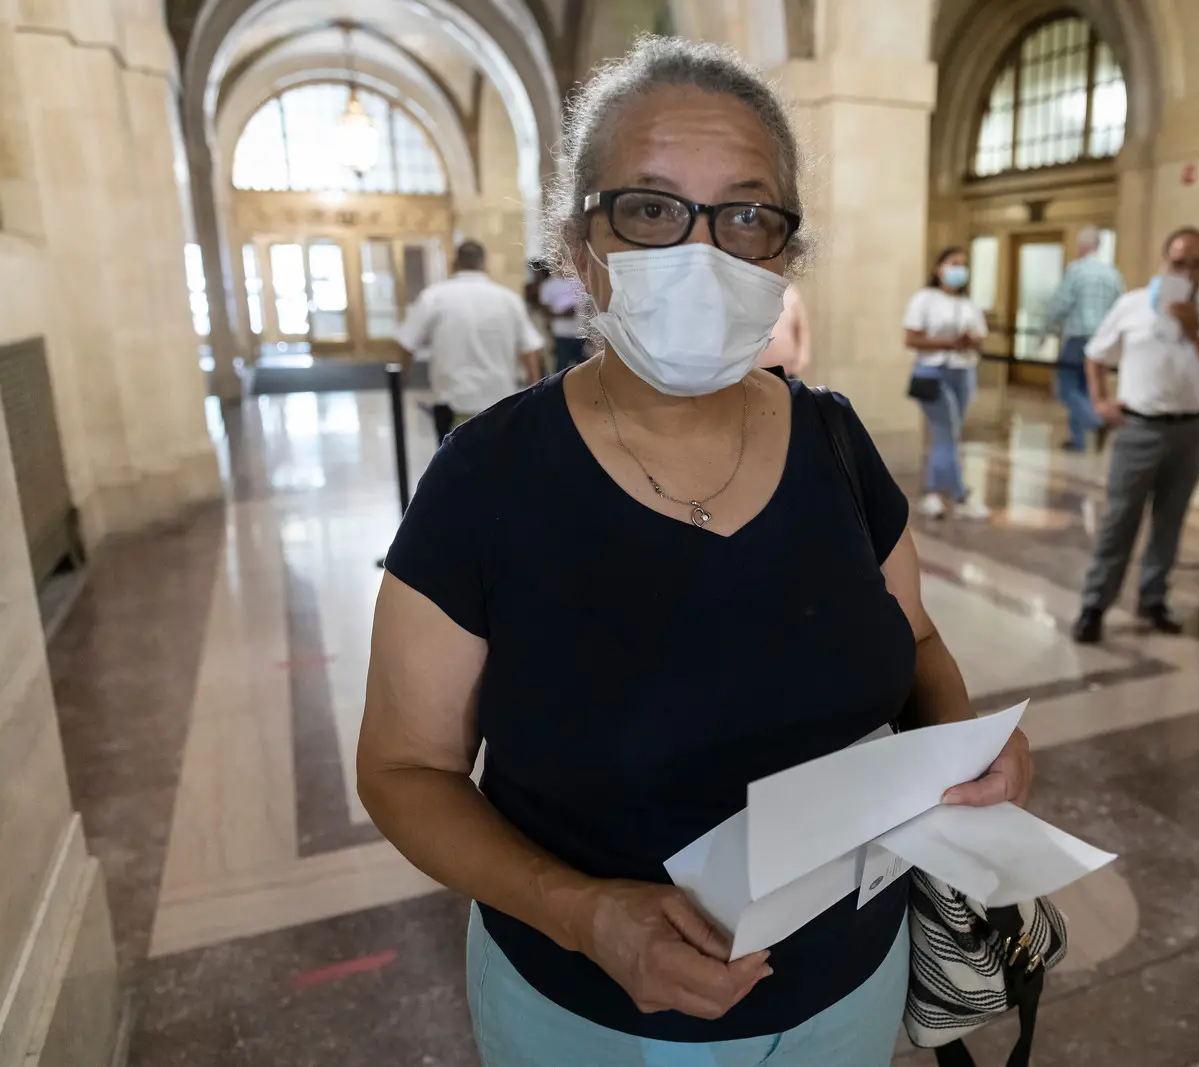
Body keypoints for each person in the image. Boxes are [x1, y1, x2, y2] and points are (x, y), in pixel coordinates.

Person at [356, 37, 1032, 1067]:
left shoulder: (837, 445)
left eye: (746, 213)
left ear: (784, 254)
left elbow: (919, 638)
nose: (701, 250)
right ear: (581, 243)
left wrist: (961, 743)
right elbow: (405, 768)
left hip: (850, 984)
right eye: (652, 208)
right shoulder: (484, 480)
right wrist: (585, 913)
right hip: (586, 1015)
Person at [1072, 226, 1199, 643]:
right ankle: (1095, 603)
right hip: (1139, 427)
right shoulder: (1133, 304)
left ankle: (1154, 598)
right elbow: (1095, 355)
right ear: (1163, 261)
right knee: (1120, 519)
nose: (1188, 272)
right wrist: (1101, 401)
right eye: (1179, 262)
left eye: (1198, 264)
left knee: (1171, 519)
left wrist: (1196, 331)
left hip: (1192, 429)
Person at [398, 240, 545, 440]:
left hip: (451, 400)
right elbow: (529, 351)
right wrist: (533, 394)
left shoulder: (434, 297)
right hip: (498, 400)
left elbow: (407, 344)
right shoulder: (508, 299)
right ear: (484, 263)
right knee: (497, 464)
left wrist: (401, 381)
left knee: (453, 466)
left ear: (454, 263)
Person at [904, 247, 990, 521]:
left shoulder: (968, 304)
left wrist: (970, 339)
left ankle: (932, 494)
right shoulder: (924, 300)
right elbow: (912, 338)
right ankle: (959, 495)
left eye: (963, 264)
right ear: (939, 269)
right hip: (931, 372)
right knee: (947, 430)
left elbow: (980, 335)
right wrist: (947, 342)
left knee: (948, 434)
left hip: (962, 371)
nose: (959, 270)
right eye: (954, 263)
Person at [1040, 226, 1124, 453]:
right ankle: (1077, 441)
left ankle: (1096, 423)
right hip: (1102, 341)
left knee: (1066, 389)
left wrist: (1044, 331)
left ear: (1081, 246)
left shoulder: (1076, 271)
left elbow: (1060, 304)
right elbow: (1119, 308)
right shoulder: (1112, 274)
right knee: (1086, 389)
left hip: (1079, 338)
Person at [539, 268, 590, 371]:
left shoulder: (580, 282)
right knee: (562, 366)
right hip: (561, 333)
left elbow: (586, 306)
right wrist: (561, 314)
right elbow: (544, 310)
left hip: (579, 332)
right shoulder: (549, 285)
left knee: (584, 366)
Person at [759, 283, 810, 377]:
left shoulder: (791, 293)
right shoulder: (751, 292)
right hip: (755, 372)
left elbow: (802, 330)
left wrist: (800, 361)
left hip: (786, 372)